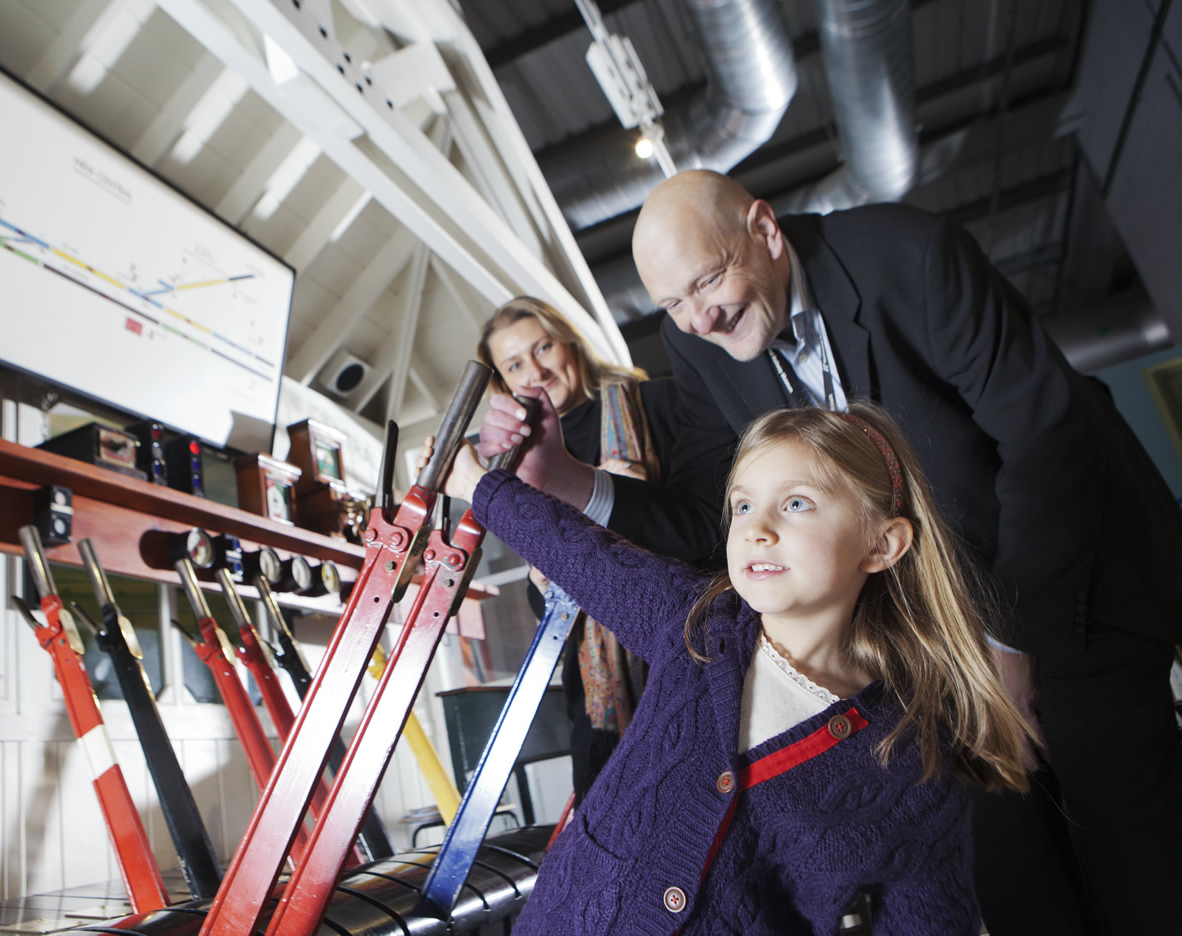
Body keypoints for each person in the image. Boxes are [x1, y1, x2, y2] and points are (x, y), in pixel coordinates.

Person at [479, 169, 1182, 935]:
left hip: (1069, 583)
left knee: (1135, 858)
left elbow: (1048, 440)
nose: (700, 319)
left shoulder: (911, 256)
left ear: (765, 230)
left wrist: (1010, 643)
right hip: (935, 648)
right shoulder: (706, 346)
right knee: (1017, 884)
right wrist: (567, 480)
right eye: (672, 304)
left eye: (708, 282)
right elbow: (706, 518)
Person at [437, 402, 1031, 934]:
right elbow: (582, 551)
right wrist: (474, 480)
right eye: (743, 505)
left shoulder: (911, 765)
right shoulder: (699, 624)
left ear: (882, 544)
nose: (757, 529)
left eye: (795, 504)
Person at [477, 296, 682, 804]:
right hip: (597, 693)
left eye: (543, 346)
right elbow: (546, 602)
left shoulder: (651, 406)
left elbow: (690, 527)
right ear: (503, 385)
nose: (537, 371)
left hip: (679, 650)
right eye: (515, 364)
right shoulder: (516, 464)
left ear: (570, 342)